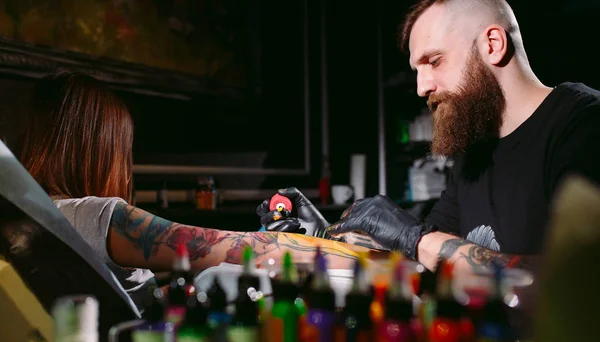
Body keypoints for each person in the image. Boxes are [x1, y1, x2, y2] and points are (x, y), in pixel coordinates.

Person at [257, 0, 600, 274]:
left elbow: (578, 285)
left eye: (434, 61)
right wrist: (327, 237)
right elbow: (424, 258)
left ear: (493, 45)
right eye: (417, 71)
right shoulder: (474, 155)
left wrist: (416, 237)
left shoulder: (584, 125)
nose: (422, 87)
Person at [17, 70, 364, 311]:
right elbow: (228, 247)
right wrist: (334, 241)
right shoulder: (96, 215)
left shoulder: (32, 219)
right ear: (99, 152)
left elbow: (135, 302)